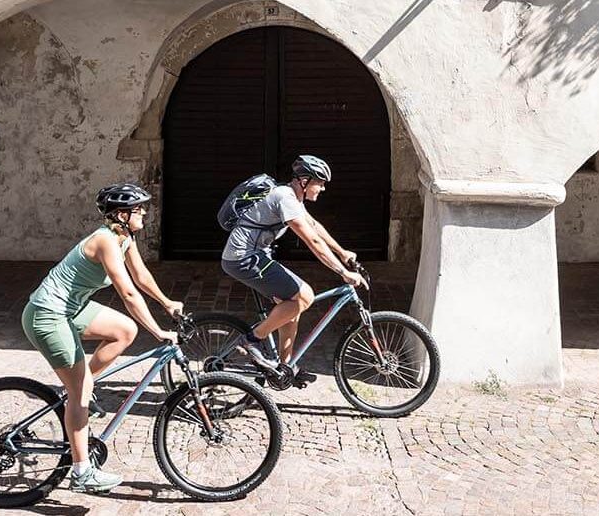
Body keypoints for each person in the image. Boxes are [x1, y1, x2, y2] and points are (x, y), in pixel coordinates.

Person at [20, 182, 183, 494]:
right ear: (121, 214)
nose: (145, 212)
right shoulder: (105, 240)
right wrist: (159, 331)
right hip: (47, 315)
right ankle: (82, 473)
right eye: (139, 209)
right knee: (79, 391)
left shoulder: (124, 238)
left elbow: (142, 277)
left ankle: (81, 387)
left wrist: (167, 303)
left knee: (124, 331)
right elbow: (128, 292)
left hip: (71, 310)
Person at [219, 155, 368, 378]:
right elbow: (312, 241)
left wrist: (342, 253)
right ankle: (251, 341)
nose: (323, 188)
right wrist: (342, 272)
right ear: (304, 181)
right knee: (304, 296)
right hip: (242, 257)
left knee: (292, 307)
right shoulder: (284, 198)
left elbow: (315, 227)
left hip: (255, 255)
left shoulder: (292, 197)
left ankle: (285, 367)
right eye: (320, 182)